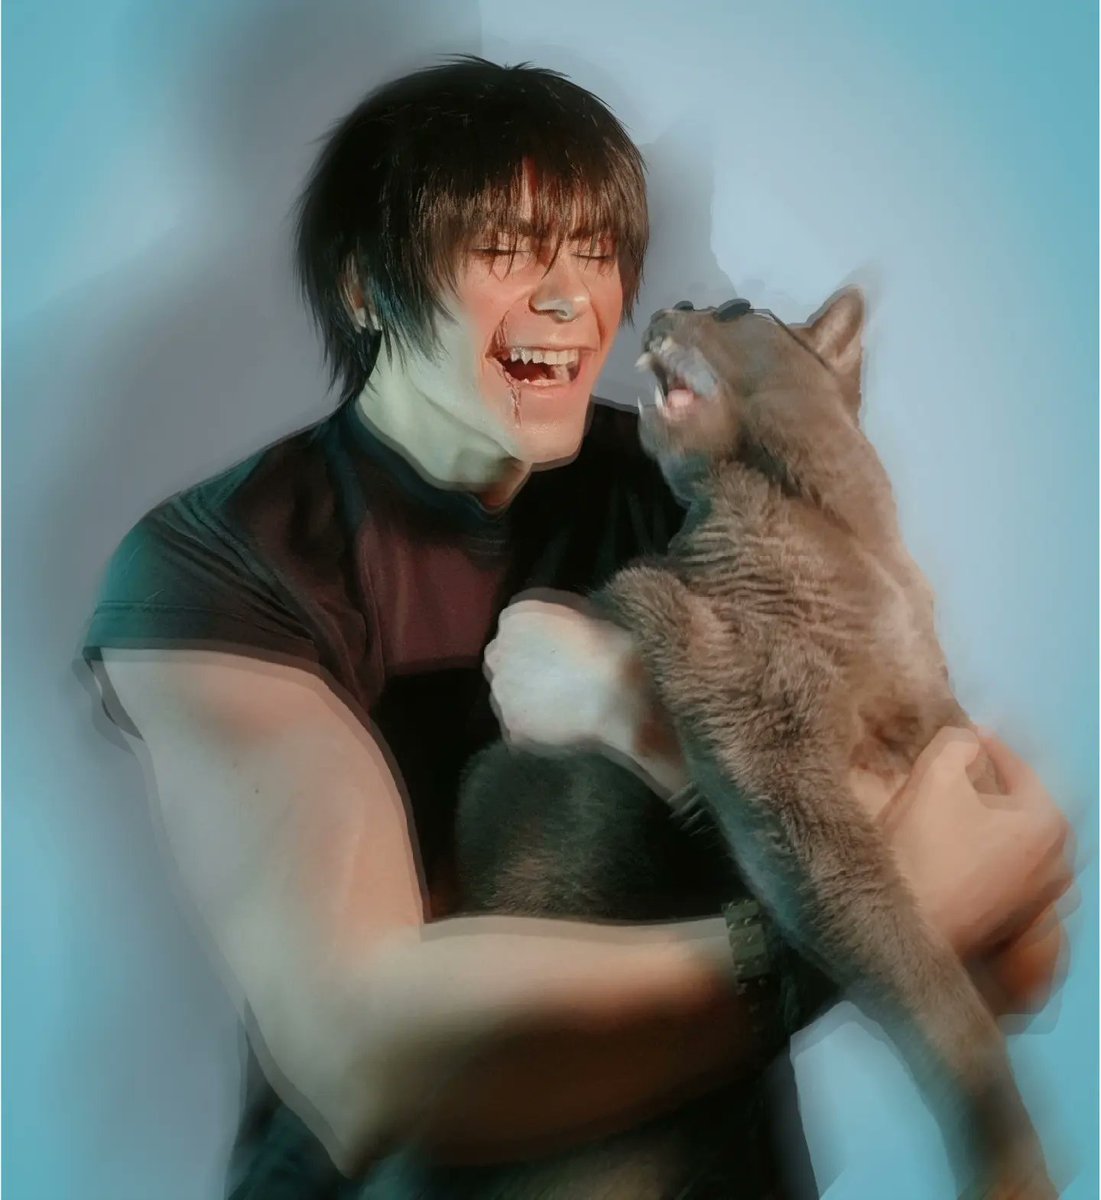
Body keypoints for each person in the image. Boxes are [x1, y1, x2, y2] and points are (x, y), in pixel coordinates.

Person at [80, 57, 1072, 1199]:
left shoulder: (695, 483)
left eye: (596, 252)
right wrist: (853, 930)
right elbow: (363, 1059)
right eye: (504, 250)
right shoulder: (222, 562)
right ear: (364, 288)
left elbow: (1014, 943)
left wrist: (642, 723)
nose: (570, 301)